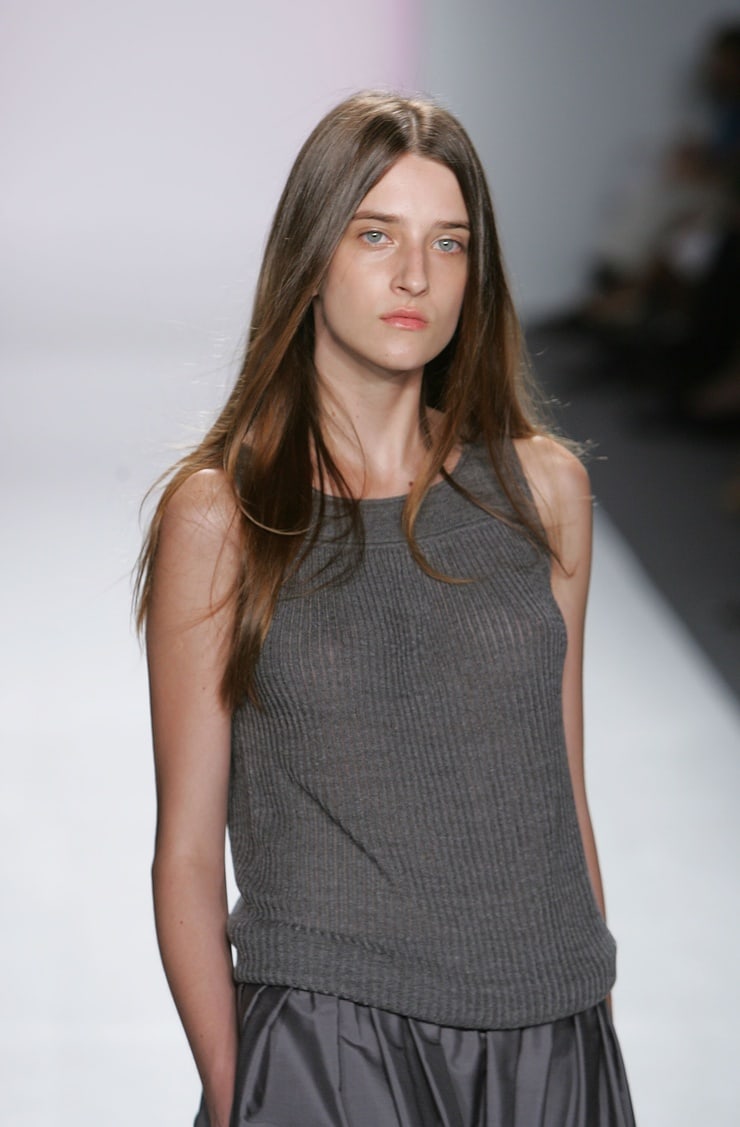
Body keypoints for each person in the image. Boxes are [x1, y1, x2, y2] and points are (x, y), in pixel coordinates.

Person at [135, 91, 636, 1126]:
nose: (416, 275)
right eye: (376, 235)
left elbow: (561, 788)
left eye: (448, 243)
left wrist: (589, 1014)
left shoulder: (543, 490)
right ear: (311, 255)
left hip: (547, 1026)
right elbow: (185, 848)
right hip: (329, 1035)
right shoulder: (225, 514)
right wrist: (239, 1092)